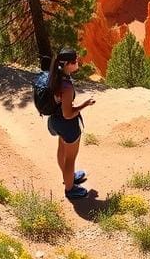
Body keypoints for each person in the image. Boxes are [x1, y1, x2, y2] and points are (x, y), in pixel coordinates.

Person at [46, 47, 95, 199]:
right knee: (70, 159)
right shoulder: (66, 86)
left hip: (55, 121)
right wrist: (84, 105)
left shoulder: (55, 76)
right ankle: (70, 188)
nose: (77, 62)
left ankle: (68, 177)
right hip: (66, 124)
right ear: (66, 64)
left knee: (62, 148)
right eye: (74, 61)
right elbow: (68, 114)